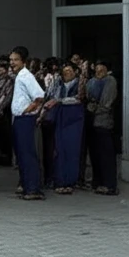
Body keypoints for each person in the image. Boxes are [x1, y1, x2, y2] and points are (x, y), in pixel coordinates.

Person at [43, 62, 85, 195]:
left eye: (70, 71)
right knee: (59, 150)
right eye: (65, 72)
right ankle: (59, 180)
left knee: (72, 150)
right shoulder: (58, 84)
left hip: (74, 119)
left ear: (75, 72)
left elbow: (80, 98)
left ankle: (70, 181)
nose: (67, 74)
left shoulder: (80, 83)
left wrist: (60, 101)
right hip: (60, 118)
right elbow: (51, 97)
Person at [10, 46, 45, 200]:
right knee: (21, 154)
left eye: (16, 60)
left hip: (25, 118)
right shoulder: (19, 76)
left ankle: (32, 188)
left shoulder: (26, 76)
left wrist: (27, 110)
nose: (12, 63)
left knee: (27, 153)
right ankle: (26, 186)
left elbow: (39, 96)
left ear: (23, 61)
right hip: (19, 118)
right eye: (11, 60)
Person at [86, 60, 119, 195]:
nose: (99, 72)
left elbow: (107, 102)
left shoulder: (110, 81)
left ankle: (109, 184)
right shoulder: (91, 82)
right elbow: (87, 97)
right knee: (95, 155)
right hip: (92, 122)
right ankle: (98, 182)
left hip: (104, 122)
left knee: (106, 154)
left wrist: (95, 108)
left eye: (102, 70)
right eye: (97, 70)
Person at [0, 60, 14, 167]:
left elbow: (8, 97)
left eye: (2, 69)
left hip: (5, 112)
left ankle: (6, 158)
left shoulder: (10, 82)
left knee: (5, 135)